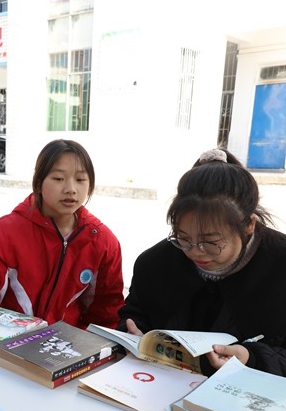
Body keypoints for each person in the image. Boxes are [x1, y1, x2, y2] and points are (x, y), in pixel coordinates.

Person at [119, 148, 286, 377]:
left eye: (211, 242)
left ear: (249, 224)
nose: (196, 252)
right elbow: (134, 314)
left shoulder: (279, 266)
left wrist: (251, 358)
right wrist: (132, 337)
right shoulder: (156, 263)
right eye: (183, 238)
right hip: (158, 384)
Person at [0, 139, 124, 329]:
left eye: (80, 180)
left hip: (66, 346)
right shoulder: (5, 232)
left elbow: (107, 309)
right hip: (8, 340)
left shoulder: (103, 241)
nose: (71, 189)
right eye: (58, 178)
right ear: (39, 183)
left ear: (90, 186)